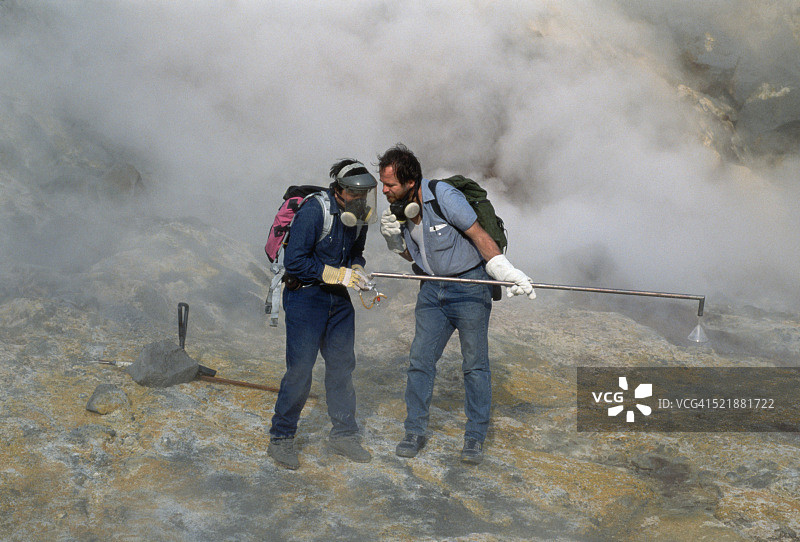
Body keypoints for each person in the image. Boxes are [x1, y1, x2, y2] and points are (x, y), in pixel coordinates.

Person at [377, 144, 536, 465]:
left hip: (469, 288)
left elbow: (477, 234)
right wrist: (394, 240)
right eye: (383, 183)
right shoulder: (400, 209)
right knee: (420, 360)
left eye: (390, 184)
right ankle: (414, 430)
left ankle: (475, 437)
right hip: (432, 292)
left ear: (410, 182)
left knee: (475, 365)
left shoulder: (444, 196)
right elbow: (414, 255)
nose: (384, 190)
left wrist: (504, 269)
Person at [268, 159, 378, 470]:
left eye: (367, 194)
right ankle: (281, 438)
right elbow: (296, 261)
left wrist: (356, 269)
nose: (362, 200)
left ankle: (344, 434)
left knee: (342, 366)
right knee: (301, 370)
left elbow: (356, 252)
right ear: (340, 190)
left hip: (337, 299)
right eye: (357, 194)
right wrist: (336, 274)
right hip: (306, 295)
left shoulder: (358, 217)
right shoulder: (315, 211)